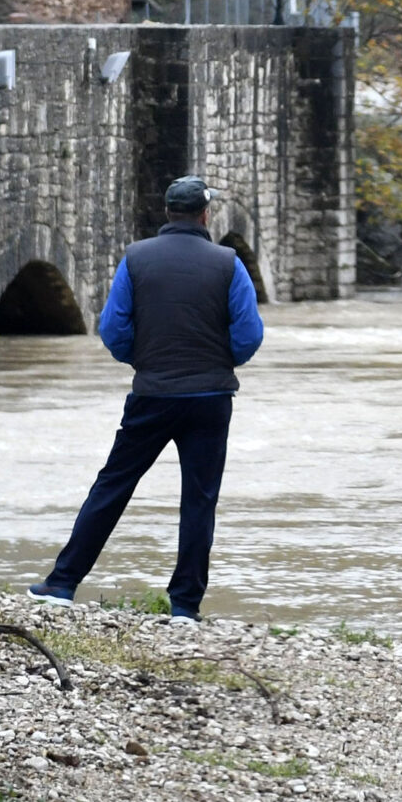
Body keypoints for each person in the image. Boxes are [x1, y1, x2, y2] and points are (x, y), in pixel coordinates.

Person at [29, 176, 264, 622]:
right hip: (211, 398)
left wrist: (144, 361)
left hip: (153, 393)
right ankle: (184, 606)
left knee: (113, 485)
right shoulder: (229, 263)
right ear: (205, 214)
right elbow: (249, 336)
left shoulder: (136, 259)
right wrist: (219, 361)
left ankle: (62, 583)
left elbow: (113, 330)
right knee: (199, 499)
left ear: (168, 212)